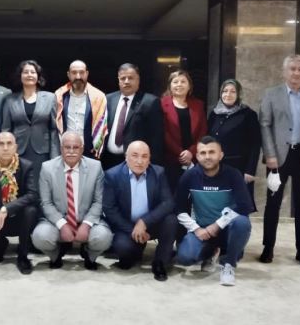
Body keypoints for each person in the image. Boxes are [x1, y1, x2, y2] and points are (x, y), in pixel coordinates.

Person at [257, 55, 300, 266]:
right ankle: (268, 248)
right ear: (284, 71)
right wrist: (269, 154)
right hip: (278, 157)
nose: (296, 73)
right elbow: (265, 125)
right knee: (273, 204)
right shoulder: (271, 94)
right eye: (292, 69)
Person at [175, 136, 254, 286]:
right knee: (185, 257)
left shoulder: (233, 174)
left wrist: (217, 225)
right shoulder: (189, 176)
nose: (207, 157)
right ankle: (211, 252)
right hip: (203, 231)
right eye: (203, 153)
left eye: (212, 152)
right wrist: (196, 229)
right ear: (197, 156)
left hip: (228, 230)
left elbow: (244, 206)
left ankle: (228, 264)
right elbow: (179, 208)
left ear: (221, 155)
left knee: (242, 222)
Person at [32, 131, 113, 270]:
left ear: (82, 149)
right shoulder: (47, 168)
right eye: (67, 147)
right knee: (40, 237)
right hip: (58, 220)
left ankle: (89, 254)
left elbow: (98, 201)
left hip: (86, 219)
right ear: (61, 148)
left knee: (104, 237)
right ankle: (56, 254)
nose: (71, 151)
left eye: (75, 147)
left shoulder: (95, 167)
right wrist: (62, 224)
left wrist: (86, 224)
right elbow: (46, 203)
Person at [102, 141, 176, 281]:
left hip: (151, 224)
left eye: (144, 156)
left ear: (149, 159)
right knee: (123, 252)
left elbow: (168, 203)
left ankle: (160, 262)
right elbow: (109, 209)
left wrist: (144, 222)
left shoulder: (158, 173)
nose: (140, 161)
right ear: (126, 157)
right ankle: (136, 249)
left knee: (171, 220)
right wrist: (134, 230)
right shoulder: (112, 175)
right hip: (127, 225)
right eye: (135, 155)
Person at [0, 132, 39, 274]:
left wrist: (6, 209)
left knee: (31, 210)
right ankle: (0, 244)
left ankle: (23, 256)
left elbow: (32, 195)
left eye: (9, 144)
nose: (5, 148)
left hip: (19, 219)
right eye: (1, 144)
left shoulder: (26, 166)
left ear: (15, 147)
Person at [207, 79, 261, 210]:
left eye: (232, 91)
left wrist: (250, 170)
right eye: (225, 91)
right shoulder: (214, 114)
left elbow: (255, 144)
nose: (228, 94)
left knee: (238, 206)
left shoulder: (248, 114)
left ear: (238, 94)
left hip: (239, 169)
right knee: (217, 205)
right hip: (216, 167)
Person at [1, 60, 60, 179]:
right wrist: (5, 153)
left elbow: (54, 129)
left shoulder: (50, 98)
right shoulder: (10, 100)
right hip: (18, 151)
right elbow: (6, 129)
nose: (29, 75)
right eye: (25, 72)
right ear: (20, 76)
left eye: (33, 72)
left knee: (41, 183)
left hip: (43, 151)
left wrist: (55, 156)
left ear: (38, 76)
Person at [103, 63, 163, 169]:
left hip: (136, 162)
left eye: (130, 78)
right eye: (123, 78)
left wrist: (151, 164)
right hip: (108, 160)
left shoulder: (150, 102)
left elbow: (156, 137)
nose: (126, 81)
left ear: (138, 80)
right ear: (118, 80)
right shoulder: (108, 99)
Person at [160, 70, 208, 191]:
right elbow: (163, 132)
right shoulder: (161, 104)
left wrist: (191, 152)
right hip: (170, 159)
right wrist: (181, 153)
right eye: (175, 82)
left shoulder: (198, 105)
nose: (179, 84)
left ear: (189, 86)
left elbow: (203, 132)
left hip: (194, 159)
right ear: (170, 85)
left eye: (183, 81)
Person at [54, 60, 108, 159]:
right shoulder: (59, 96)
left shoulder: (98, 97)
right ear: (68, 75)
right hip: (65, 152)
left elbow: (102, 128)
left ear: (87, 74)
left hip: (89, 153)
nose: (78, 76)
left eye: (81, 72)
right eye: (74, 73)